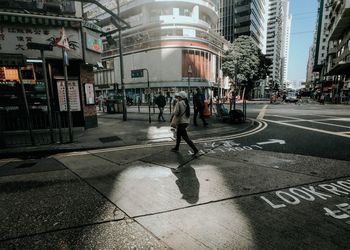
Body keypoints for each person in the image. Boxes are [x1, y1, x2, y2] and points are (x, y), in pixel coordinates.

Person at [171, 91, 199, 155]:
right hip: (186, 122)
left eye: (178, 96)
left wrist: (174, 109)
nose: (177, 97)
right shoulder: (187, 103)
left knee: (185, 137)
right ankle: (176, 147)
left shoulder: (179, 103)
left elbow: (176, 113)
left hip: (181, 122)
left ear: (181, 97)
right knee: (178, 135)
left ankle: (195, 149)